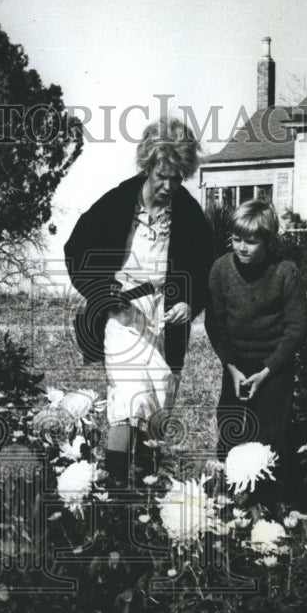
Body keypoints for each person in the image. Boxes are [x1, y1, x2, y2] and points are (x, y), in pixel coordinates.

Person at [64, 118, 214, 483]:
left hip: (165, 317)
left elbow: (204, 266)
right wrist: (101, 291)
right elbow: (76, 249)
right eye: (162, 175)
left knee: (158, 400)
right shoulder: (118, 202)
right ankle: (116, 486)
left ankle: (146, 490)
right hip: (122, 314)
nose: (168, 186)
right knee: (129, 395)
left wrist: (189, 303)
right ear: (148, 166)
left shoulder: (189, 213)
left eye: (177, 178)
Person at [205, 200, 307, 504]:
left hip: (274, 369)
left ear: (267, 240)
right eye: (237, 239)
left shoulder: (285, 272)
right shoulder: (221, 268)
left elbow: (296, 328)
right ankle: (229, 505)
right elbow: (215, 322)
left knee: (270, 440)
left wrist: (266, 371)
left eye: (251, 241)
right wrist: (232, 367)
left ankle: (268, 512)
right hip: (236, 366)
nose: (242, 247)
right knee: (231, 431)